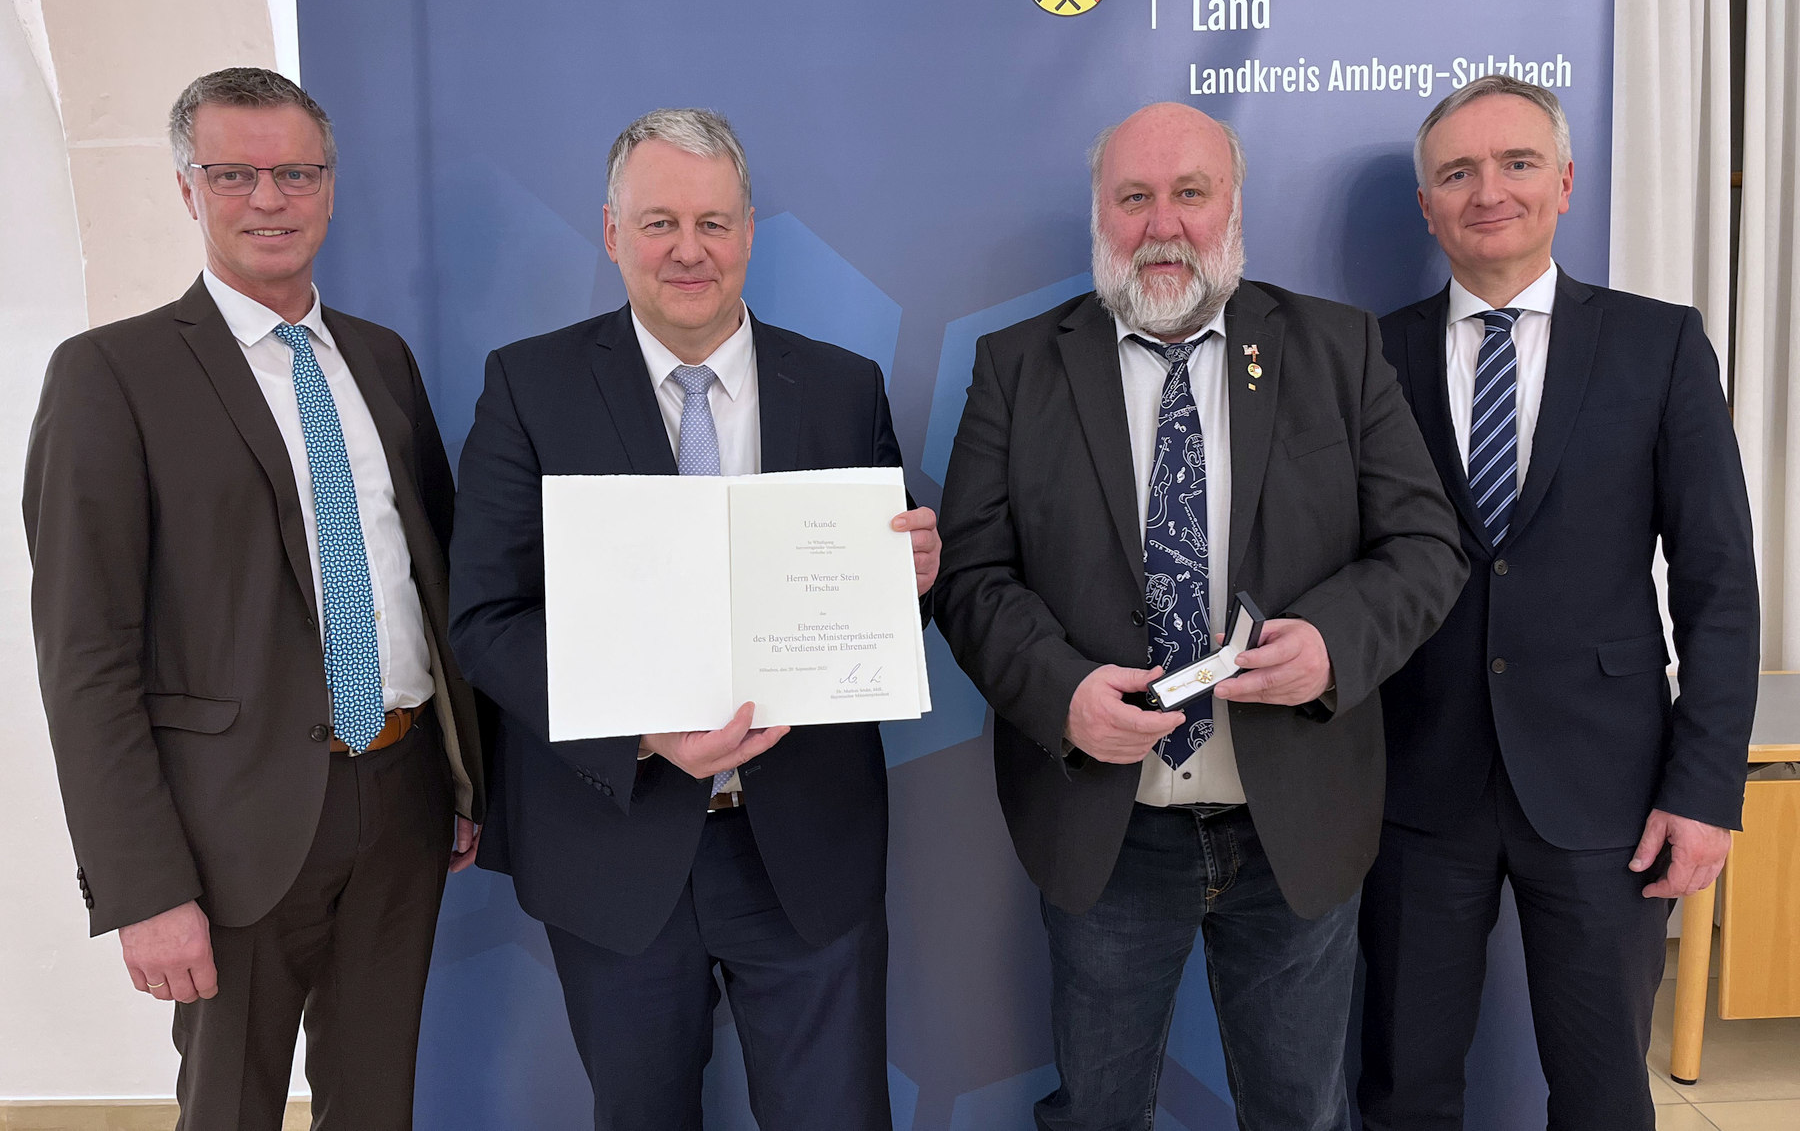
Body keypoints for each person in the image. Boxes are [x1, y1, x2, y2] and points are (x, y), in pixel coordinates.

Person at [933, 101, 1466, 1131]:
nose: (1162, 224)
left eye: (1190, 193)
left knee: (1301, 1113)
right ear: (1100, 211)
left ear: (1232, 206)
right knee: (1097, 1113)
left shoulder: (1335, 349)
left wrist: (1333, 649)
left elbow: (1424, 547)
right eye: (1135, 197)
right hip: (1106, 824)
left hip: (1296, 822)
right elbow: (973, 576)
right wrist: (1062, 695)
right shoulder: (1017, 367)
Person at [449, 107, 940, 1131]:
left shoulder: (845, 388)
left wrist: (909, 581)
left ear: (751, 232)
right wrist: (638, 726)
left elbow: (873, 625)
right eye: (660, 221)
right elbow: (485, 618)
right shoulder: (530, 385)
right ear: (611, 229)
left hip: (805, 844)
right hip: (613, 847)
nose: (688, 250)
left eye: (713, 223)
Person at [23, 67, 486, 1131]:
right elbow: (84, 657)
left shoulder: (381, 359)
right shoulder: (110, 376)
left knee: (377, 1106)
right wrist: (142, 887)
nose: (268, 199)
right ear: (189, 189)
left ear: (330, 188)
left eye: (295, 173)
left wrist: (464, 774)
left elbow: (430, 575)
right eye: (235, 173)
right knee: (229, 1110)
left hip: (404, 794)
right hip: (227, 832)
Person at [1358, 74, 1760, 1130]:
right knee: (1402, 1090)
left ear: (1567, 182)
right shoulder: (1368, 357)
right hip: (1413, 783)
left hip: (1607, 793)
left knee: (1602, 1095)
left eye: (1517, 162)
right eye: (1458, 172)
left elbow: (1720, 583)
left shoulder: (1658, 345)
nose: (1488, 190)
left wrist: (1707, 788)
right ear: (1427, 206)